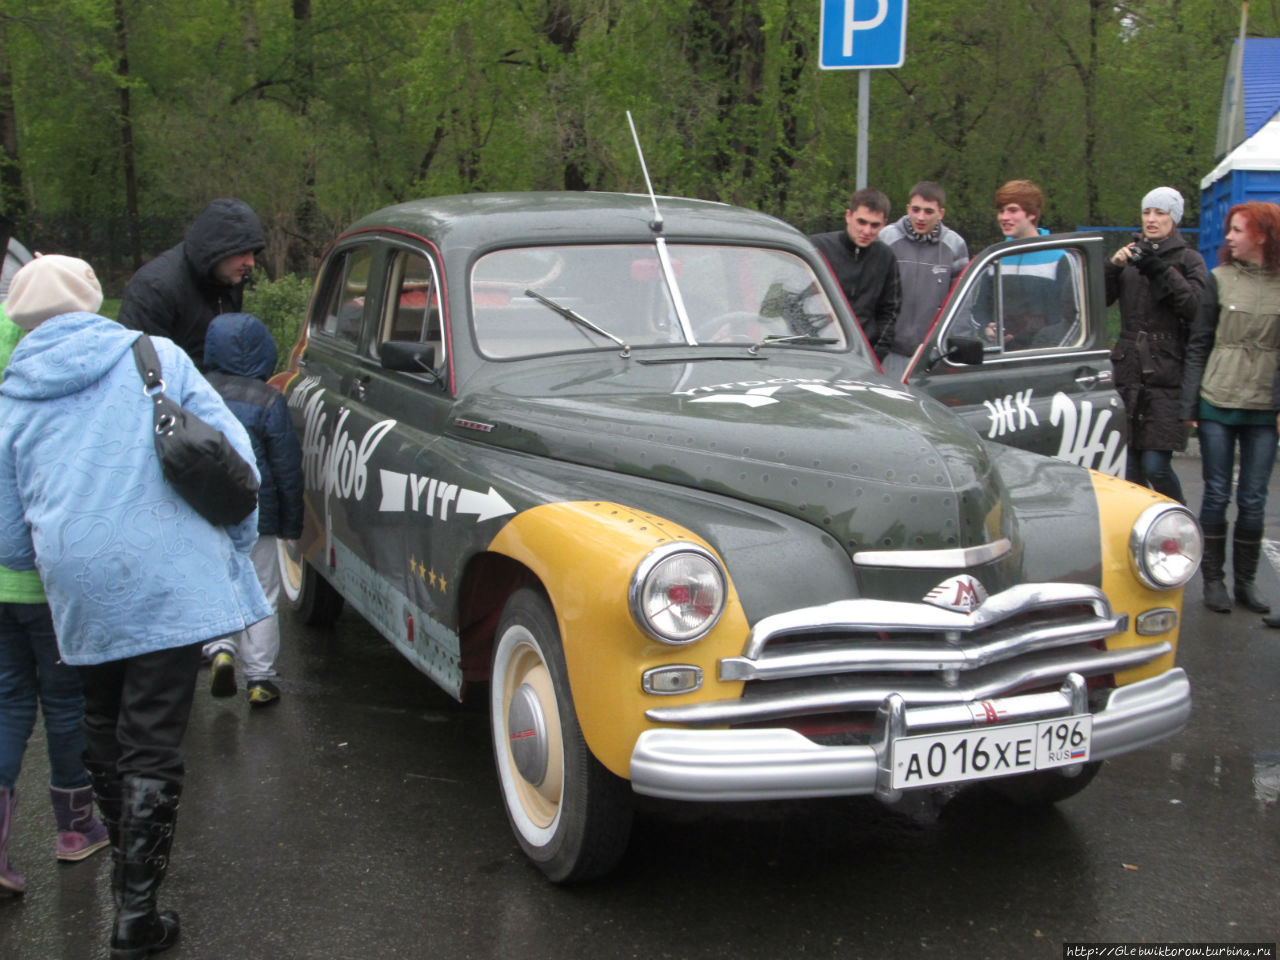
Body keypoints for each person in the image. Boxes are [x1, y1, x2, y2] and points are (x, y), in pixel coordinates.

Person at [0, 255, 271, 956]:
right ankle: (135, 914)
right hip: (168, 570)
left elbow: (8, 534)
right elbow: (234, 455)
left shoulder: (12, 392)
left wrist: (59, 566)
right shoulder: (156, 357)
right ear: (93, 297)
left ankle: (129, 890)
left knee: (100, 720)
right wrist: (235, 543)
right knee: (151, 736)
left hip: (78, 580)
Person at [0, 291, 110, 896]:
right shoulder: (67, 398)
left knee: (8, 701)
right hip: (47, 583)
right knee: (65, 704)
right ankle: (74, 830)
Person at [1181, 201, 1280, 617]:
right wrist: (1190, 403)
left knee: (1254, 499)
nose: (1229, 238)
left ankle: (1246, 584)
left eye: (1238, 230)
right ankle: (1213, 583)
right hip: (1218, 400)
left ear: (1262, 236)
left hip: (1263, 406)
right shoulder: (1218, 279)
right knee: (1217, 493)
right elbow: (1199, 341)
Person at [200, 313, 304, 706]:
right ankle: (260, 678)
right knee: (262, 592)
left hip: (205, 511)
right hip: (258, 512)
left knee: (215, 584)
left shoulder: (195, 390)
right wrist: (291, 523)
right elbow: (286, 466)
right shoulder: (268, 400)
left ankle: (220, 647)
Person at [1105, 187, 1208, 504]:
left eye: (1160, 213)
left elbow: (1195, 308)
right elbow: (1099, 302)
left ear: (1174, 218)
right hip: (1129, 370)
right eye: (1147, 212)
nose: (1151, 219)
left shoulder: (1189, 260)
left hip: (1167, 373)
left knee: (1156, 465)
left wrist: (1159, 269)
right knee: (1131, 467)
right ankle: (1143, 532)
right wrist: (1113, 268)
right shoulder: (1130, 255)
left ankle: (1180, 519)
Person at [117, 197, 265, 369]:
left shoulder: (229, 277)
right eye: (243, 253)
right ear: (219, 249)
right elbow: (139, 365)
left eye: (253, 253)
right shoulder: (154, 288)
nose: (250, 263)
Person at [974, 179, 1078, 351]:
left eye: (1013, 210)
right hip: (999, 358)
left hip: (1043, 357)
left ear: (1032, 214)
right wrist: (986, 329)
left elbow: (1070, 317)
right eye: (1001, 211)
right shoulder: (994, 259)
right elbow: (979, 309)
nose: (1004, 217)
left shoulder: (1059, 258)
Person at [878, 182, 969, 377]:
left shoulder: (955, 245)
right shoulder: (886, 238)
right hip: (888, 351)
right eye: (916, 209)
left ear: (941, 213)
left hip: (930, 355)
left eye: (928, 211)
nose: (921, 217)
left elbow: (961, 307)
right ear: (907, 209)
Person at [809, 187, 901, 362]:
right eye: (862, 222)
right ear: (848, 216)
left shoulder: (886, 257)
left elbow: (890, 311)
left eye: (875, 225)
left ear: (884, 224)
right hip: (816, 351)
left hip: (862, 357)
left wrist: (876, 355)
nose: (867, 231)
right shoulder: (817, 248)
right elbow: (790, 300)